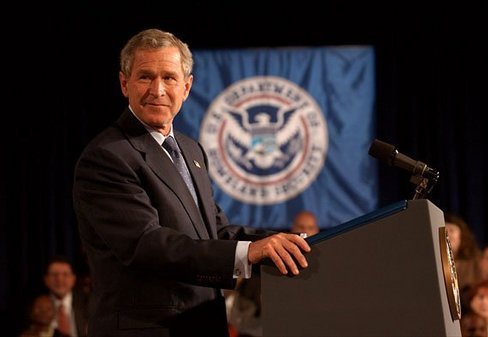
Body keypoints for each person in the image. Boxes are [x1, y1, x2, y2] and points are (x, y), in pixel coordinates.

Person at [72, 28, 311, 337]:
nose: (157, 90)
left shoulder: (190, 149)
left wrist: (286, 241)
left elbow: (215, 231)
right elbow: (148, 246)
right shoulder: (107, 157)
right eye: (145, 77)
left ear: (186, 87)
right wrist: (247, 253)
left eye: (169, 78)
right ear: (124, 83)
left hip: (200, 325)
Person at [43, 256, 89, 337]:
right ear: (46, 279)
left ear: (73, 279)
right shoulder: (36, 307)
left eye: (65, 274)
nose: (60, 279)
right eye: (54, 274)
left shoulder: (89, 304)